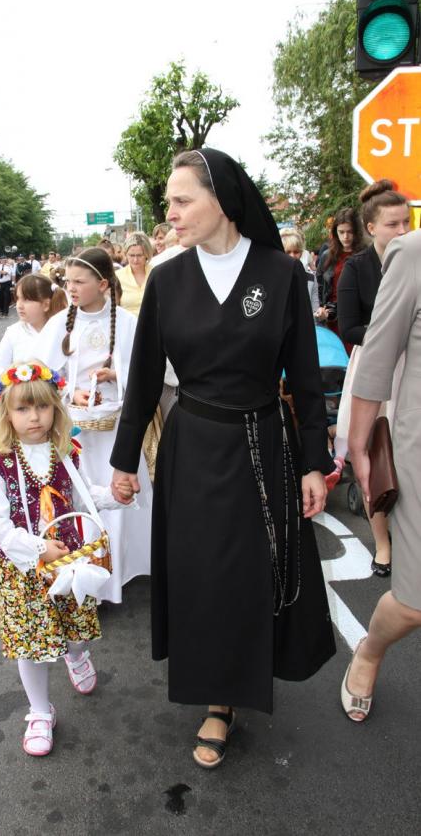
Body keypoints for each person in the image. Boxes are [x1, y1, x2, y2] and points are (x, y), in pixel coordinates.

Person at [110, 148, 335, 769]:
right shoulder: (167, 278)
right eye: (169, 203)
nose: (171, 214)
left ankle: (247, 674)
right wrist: (125, 461)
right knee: (202, 575)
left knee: (253, 570)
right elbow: (145, 376)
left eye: (182, 200)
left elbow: (307, 380)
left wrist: (315, 462)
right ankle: (218, 699)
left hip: (264, 443)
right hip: (194, 445)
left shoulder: (279, 274)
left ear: (222, 200)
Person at [0, 361, 129, 755]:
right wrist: (38, 547)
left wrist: (115, 495)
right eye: (23, 409)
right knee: (31, 644)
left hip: (70, 562)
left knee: (73, 627)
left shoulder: (65, 453)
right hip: (23, 569)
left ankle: (76, 655)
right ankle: (40, 710)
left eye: (42, 407)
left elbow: (82, 498)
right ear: (6, 413)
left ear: (55, 410)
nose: (34, 417)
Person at [38, 247, 152, 603]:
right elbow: (42, 376)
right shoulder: (60, 324)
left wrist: (115, 377)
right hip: (76, 434)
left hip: (118, 428)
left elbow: (146, 373)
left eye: (79, 281)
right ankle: (85, 574)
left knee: (118, 493)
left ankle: (121, 569)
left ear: (103, 284)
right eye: (67, 281)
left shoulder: (128, 322)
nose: (70, 288)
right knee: (84, 497)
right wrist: (72, 397)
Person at [341, 228, 421, 723]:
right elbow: (377, 353)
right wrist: (359, 443)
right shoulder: (412, 254)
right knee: (414, 603)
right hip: (418, 450)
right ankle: (370, 650)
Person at [335, 180, 410, 574]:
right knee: (373, 455)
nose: (402, 231)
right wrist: (395, 336)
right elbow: (348, 328)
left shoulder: (415, 261)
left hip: (413, 366)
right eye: (393, 224)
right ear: (372, 227)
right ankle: (382, 544)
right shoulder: (357, 268)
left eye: (407, 222)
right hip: (374, 370)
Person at [0, 275, 67, 379]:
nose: (19, 305)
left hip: (55, 394)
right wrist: (13, 375)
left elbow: (71, 373)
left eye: (26, 299)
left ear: (46, 305)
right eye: (17, 298)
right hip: (21, 393)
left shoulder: (62, 332)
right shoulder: (14, 332)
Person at [317, 208, 364, 346]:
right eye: (341, 232)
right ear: (335, 233)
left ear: (357, 232)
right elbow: (320, 285)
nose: (345, 237)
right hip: (332, 317)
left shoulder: (365, 254)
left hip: (357, 317)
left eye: (349, 232)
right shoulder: (327, 255)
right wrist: (321, 308)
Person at [280, 228, 321, 318]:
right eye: (288, 252)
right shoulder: (273, 277)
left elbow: (314, 308)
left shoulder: (311, 278)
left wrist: (320, 314)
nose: (292, 256)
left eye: (296, 252)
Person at [118, 232, 153, 317]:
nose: (135, 260)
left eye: (139, 255)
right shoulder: (118, 277)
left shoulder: (156, 273)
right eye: (131, 255)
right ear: (126, 254)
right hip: (128, 328)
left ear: (147, 255)